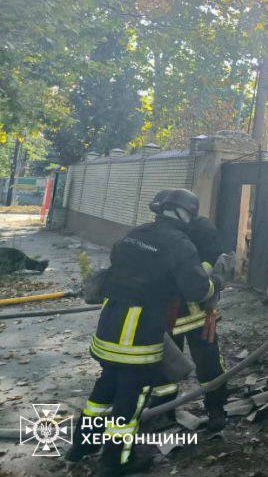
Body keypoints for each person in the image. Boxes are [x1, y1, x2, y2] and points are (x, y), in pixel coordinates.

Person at [68, 189, 220, 475]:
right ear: (185, 214)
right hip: (138, 333)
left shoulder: (135, 233)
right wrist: (216, 283)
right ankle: (116, 461)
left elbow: (122, 265)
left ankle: (81, 445)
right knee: (131, 398)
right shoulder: (179, 243)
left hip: (110, 324)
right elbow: (197, 289)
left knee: (105, 388)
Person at [149, 196, 230, 432]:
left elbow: (211, 261)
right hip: (174, 312)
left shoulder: (200, 229)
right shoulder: (168, 232)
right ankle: (164, 412)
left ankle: (215, 410)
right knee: (167, 365)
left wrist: (198, 279)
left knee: (207, 364)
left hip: (195, 311)